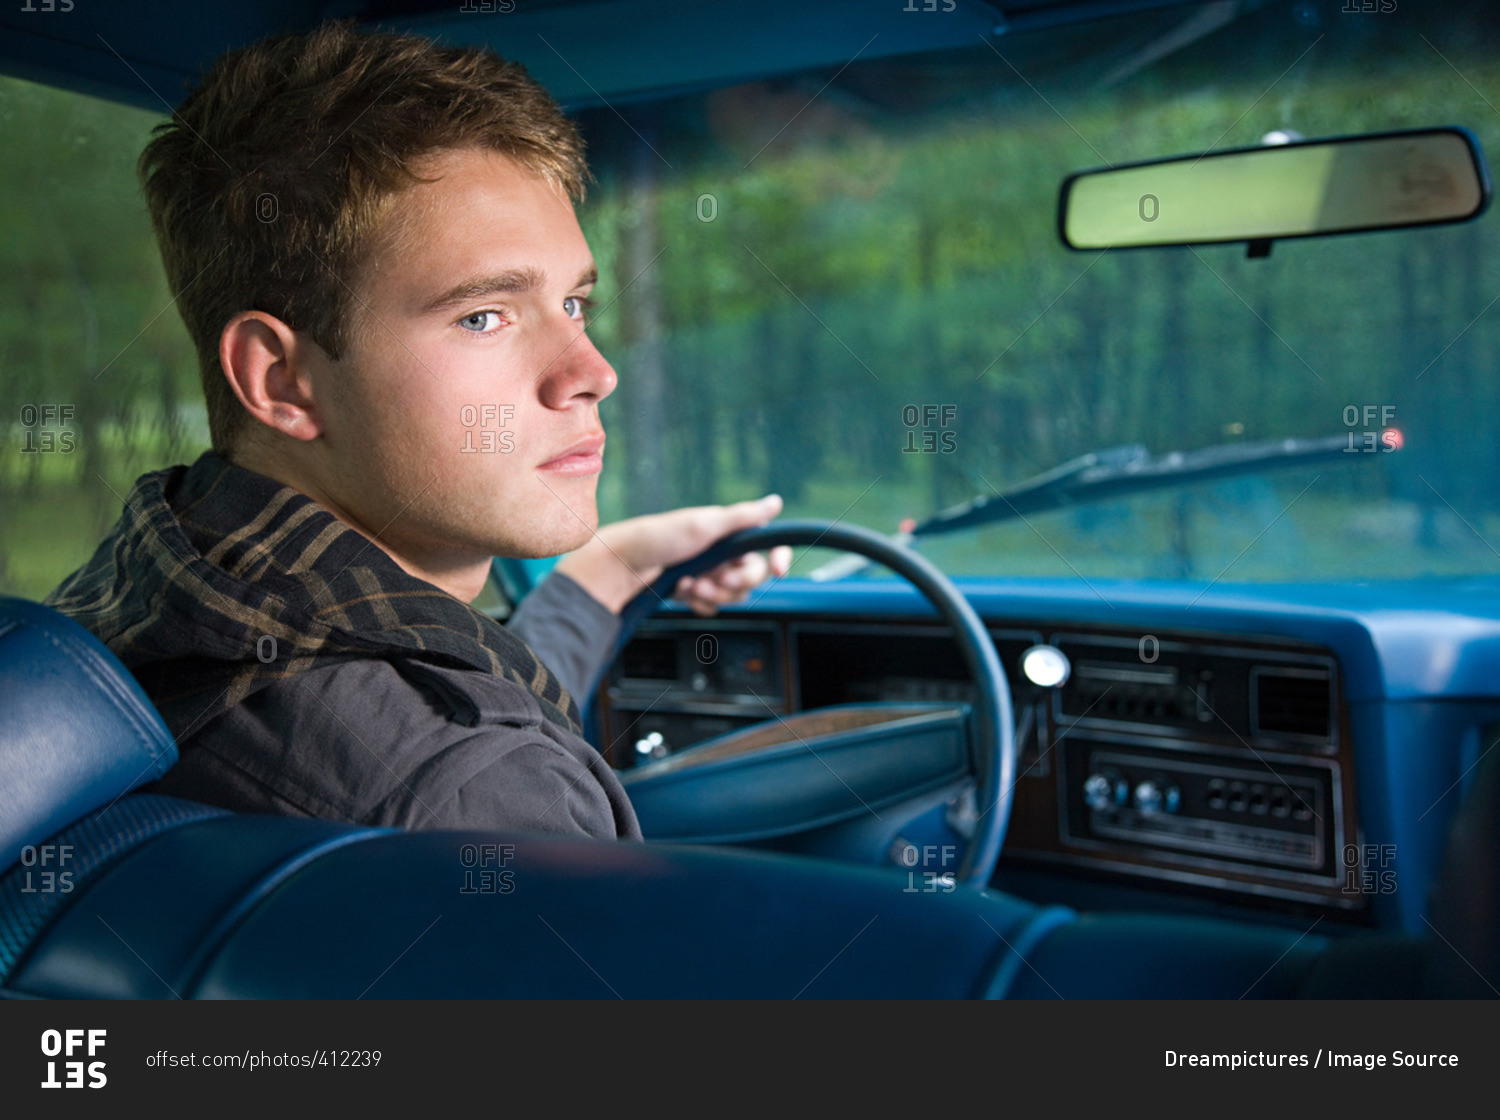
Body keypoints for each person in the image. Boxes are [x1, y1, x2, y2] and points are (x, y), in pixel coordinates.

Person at [44, 22, 790, 841]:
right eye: (483, 316)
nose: (591, 371)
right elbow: (441, 752)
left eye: (574, 303)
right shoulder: (483, 799)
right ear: (282, 382)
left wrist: (610, 571)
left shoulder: (157, 596)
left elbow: (412, 687)